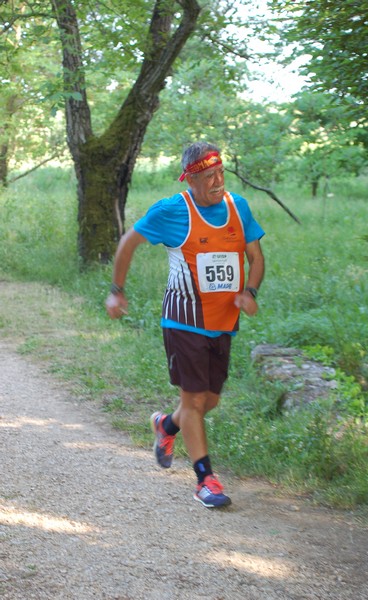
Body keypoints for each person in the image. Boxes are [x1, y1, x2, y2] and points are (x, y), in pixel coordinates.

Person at [105, 141, 265, 508]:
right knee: (192, 399)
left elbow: (255, 257)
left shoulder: (238, 207)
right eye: (209, 176)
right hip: (184, 320)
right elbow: (128, 242)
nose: (218, 181)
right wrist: (117, 291)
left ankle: (167, 426)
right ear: (190, 179)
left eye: (221, 173)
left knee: (209, 400)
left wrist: (251, 291)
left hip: (224, 322)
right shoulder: (172, 211)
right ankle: (205, 479)